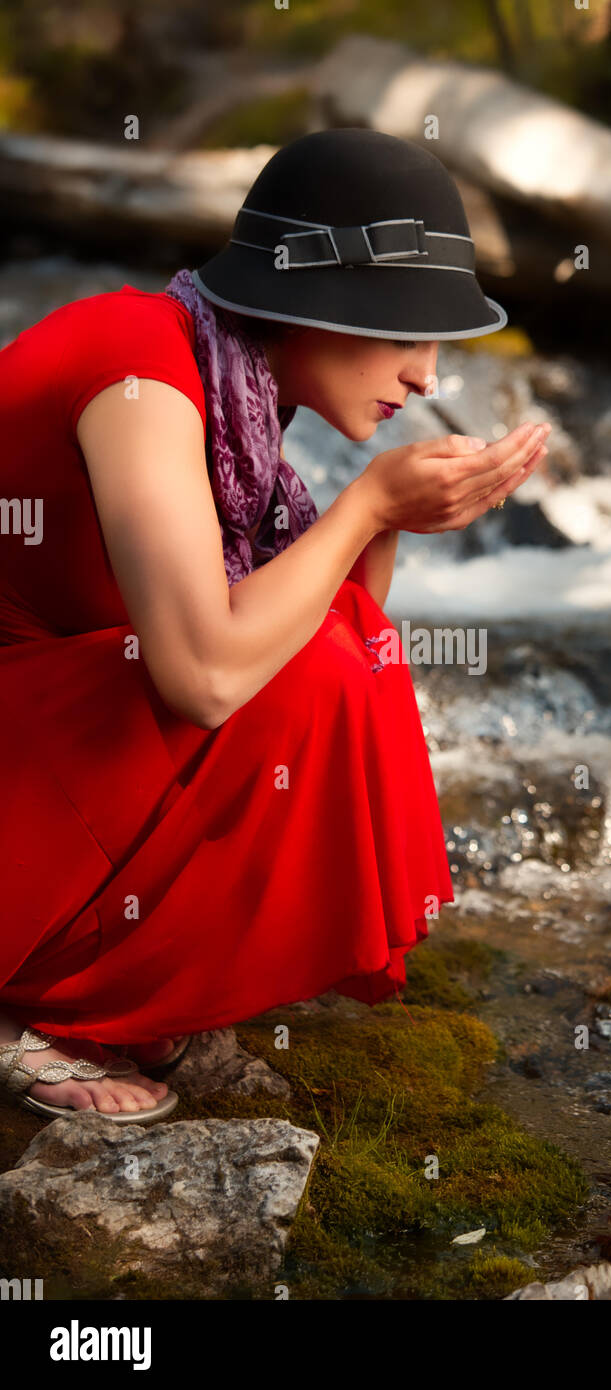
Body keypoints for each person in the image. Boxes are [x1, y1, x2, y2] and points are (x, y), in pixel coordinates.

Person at [0, 128, 550, 1123]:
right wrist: (367, 506)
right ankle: (32, 1008)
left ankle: (108, 980)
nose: (427, 377)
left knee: (345, 656)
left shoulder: (237, 396)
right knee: (312, 668)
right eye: (404, 336)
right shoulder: (140, 378)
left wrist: (397, 515)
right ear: (310, 306)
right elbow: (204, 677)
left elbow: (338, 634)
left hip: (38, 746)